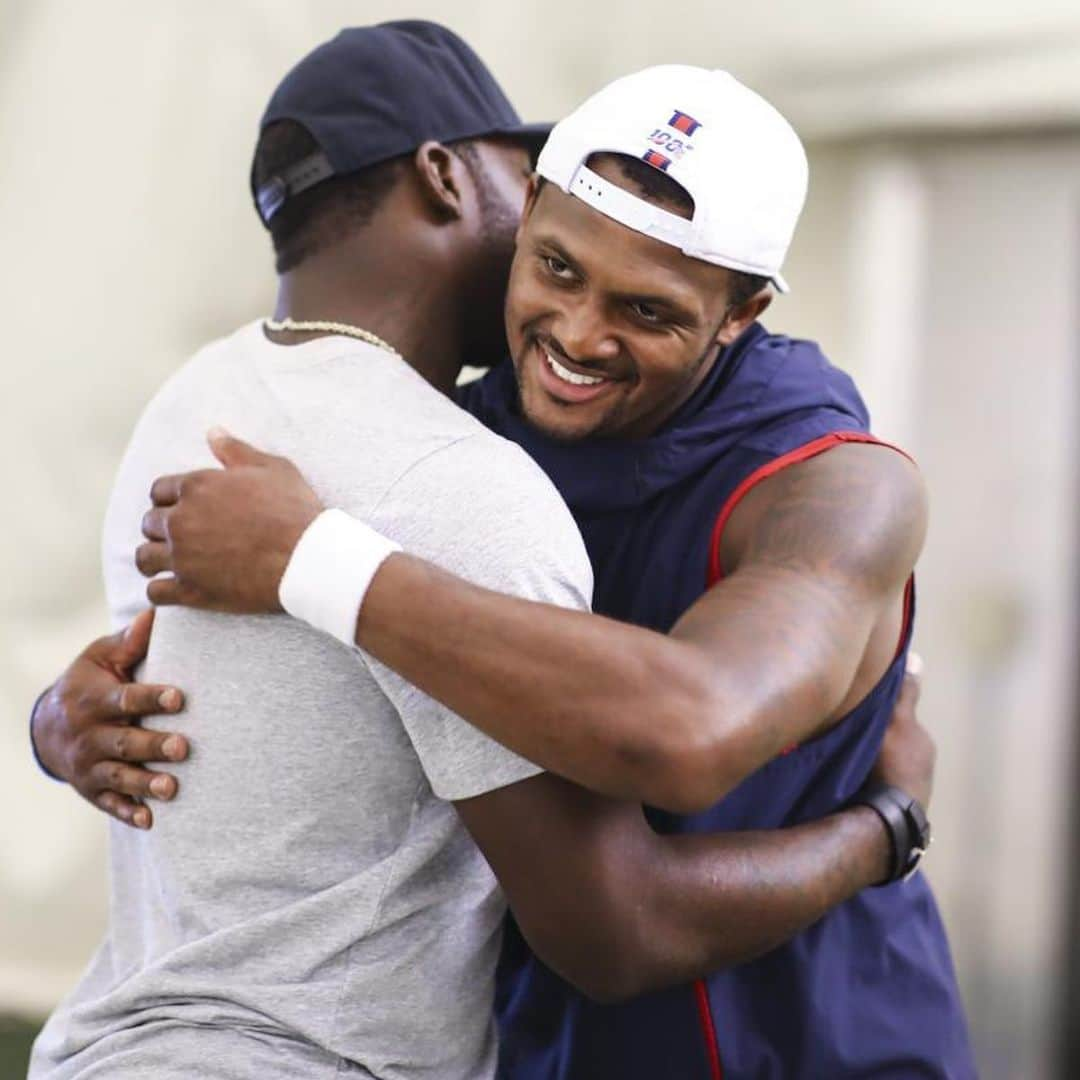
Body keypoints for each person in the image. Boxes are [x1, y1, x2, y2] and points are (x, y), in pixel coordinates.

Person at [27, 24, 939, 1080]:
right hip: (536, 1045)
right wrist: (65, 722)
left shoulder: (839, 485)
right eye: (555, 266)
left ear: (742, 316)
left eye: (648, 311)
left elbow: (687, 735)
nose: (581, 335)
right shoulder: (468, 427)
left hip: (805, 1042)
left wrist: (891, 825)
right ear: (529, 215)